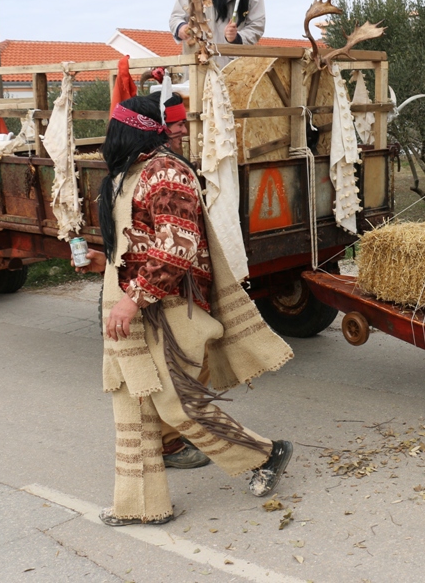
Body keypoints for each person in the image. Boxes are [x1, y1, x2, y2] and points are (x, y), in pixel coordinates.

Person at [86, 92, 294, 526]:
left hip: (165, 310)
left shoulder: (166, 173)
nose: (181, 130)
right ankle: (142, 505)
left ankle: (265, 454)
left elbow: (178, 246)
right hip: (134, 312)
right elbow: (138, 242)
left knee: (176, 406)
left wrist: (131, 298)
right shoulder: (132, 172)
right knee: (133, 410)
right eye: (173, 124)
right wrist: (100, 262)